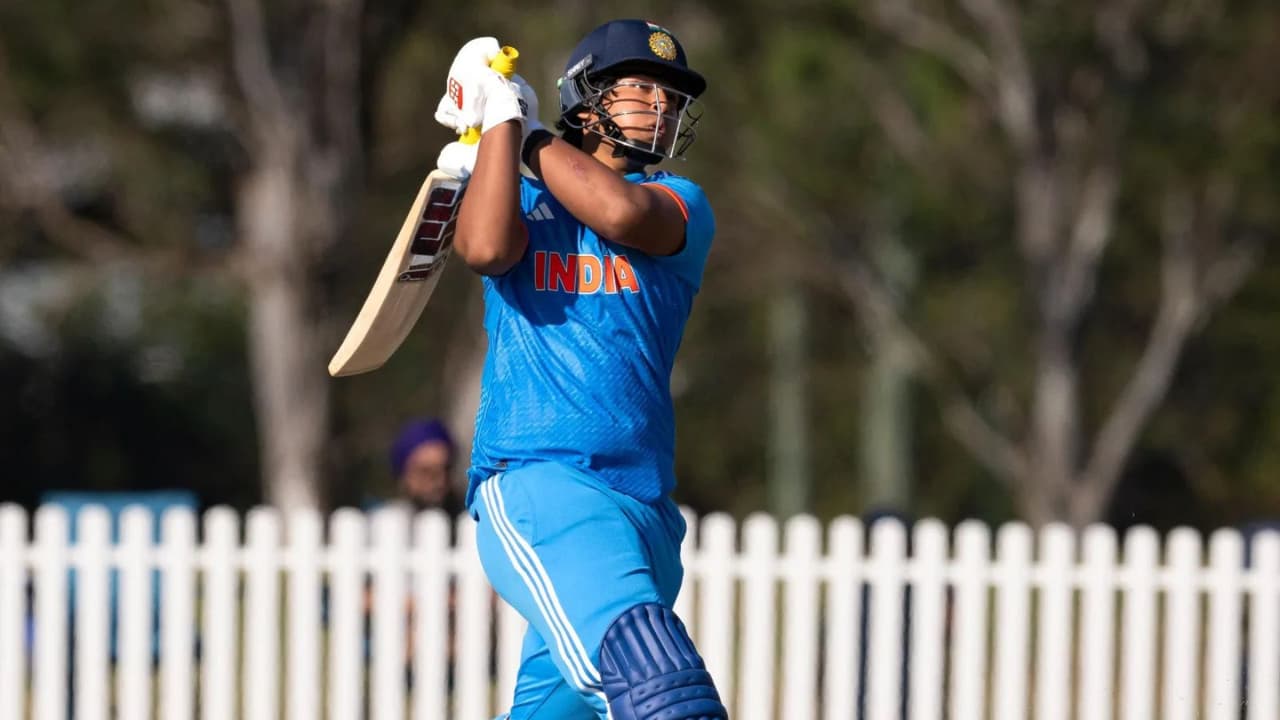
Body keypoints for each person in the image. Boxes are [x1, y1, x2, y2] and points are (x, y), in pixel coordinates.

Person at [432, 18, 727, 720]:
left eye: (672, 96)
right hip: (544, 485)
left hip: (644, 512)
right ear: (586, 100)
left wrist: (524, 130)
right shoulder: (525, 202)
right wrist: (498, 125)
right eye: (641, 88)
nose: (662, 105)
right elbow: (484, 249)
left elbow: (619, 212)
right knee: (663, 694)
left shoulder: (681, 203)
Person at [387, 418, 462, 516]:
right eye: (426, 472)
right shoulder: (384, 520)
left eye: (446, 469)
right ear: (404, 477)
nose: (440, 482)